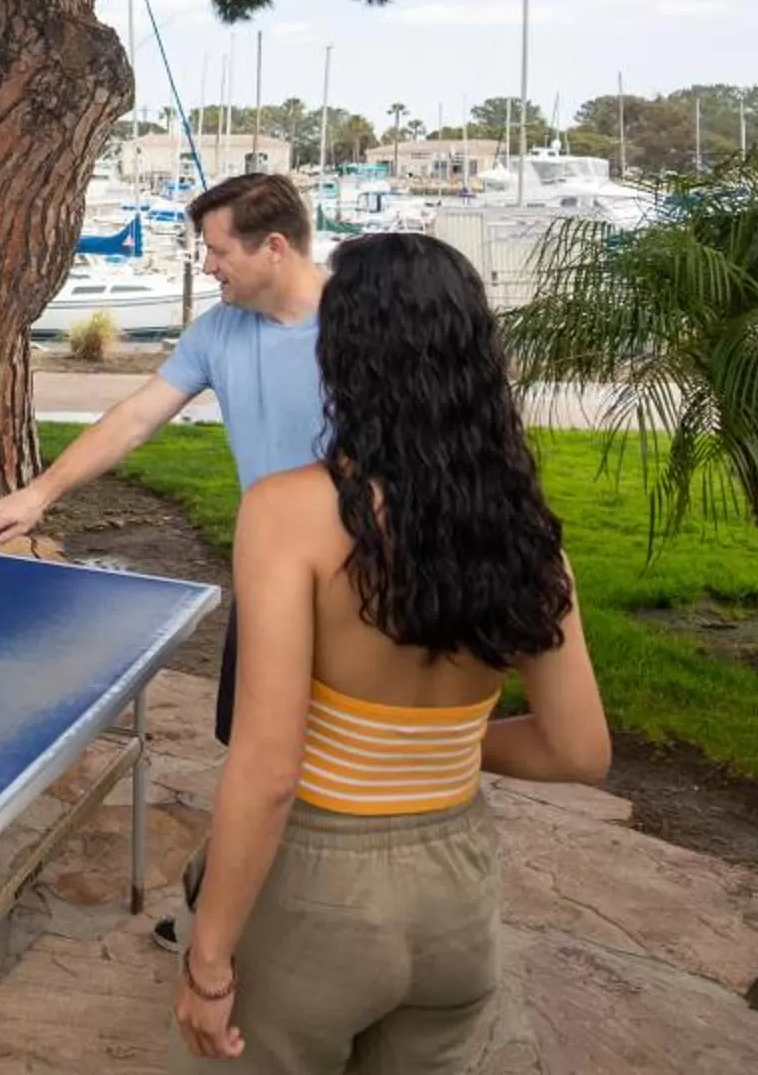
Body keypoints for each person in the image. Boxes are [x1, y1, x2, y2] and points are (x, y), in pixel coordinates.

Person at [170, 231, 609, 1071]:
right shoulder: (526, 535)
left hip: (317, 895)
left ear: (346, 356)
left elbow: (266, 770)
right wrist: (429, 745)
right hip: (458, 902)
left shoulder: (287, 514)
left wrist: (209, 957)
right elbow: (579, 749)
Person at [0, 171, 329, 745]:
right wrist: (39, 493)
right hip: (268, 566)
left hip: (355, 570)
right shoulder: (216, 331)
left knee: (339, 743)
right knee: (251, 739)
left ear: (273, 248)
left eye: (217, 251)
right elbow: (135, 418)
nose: (208, 265)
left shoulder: (366, 326)